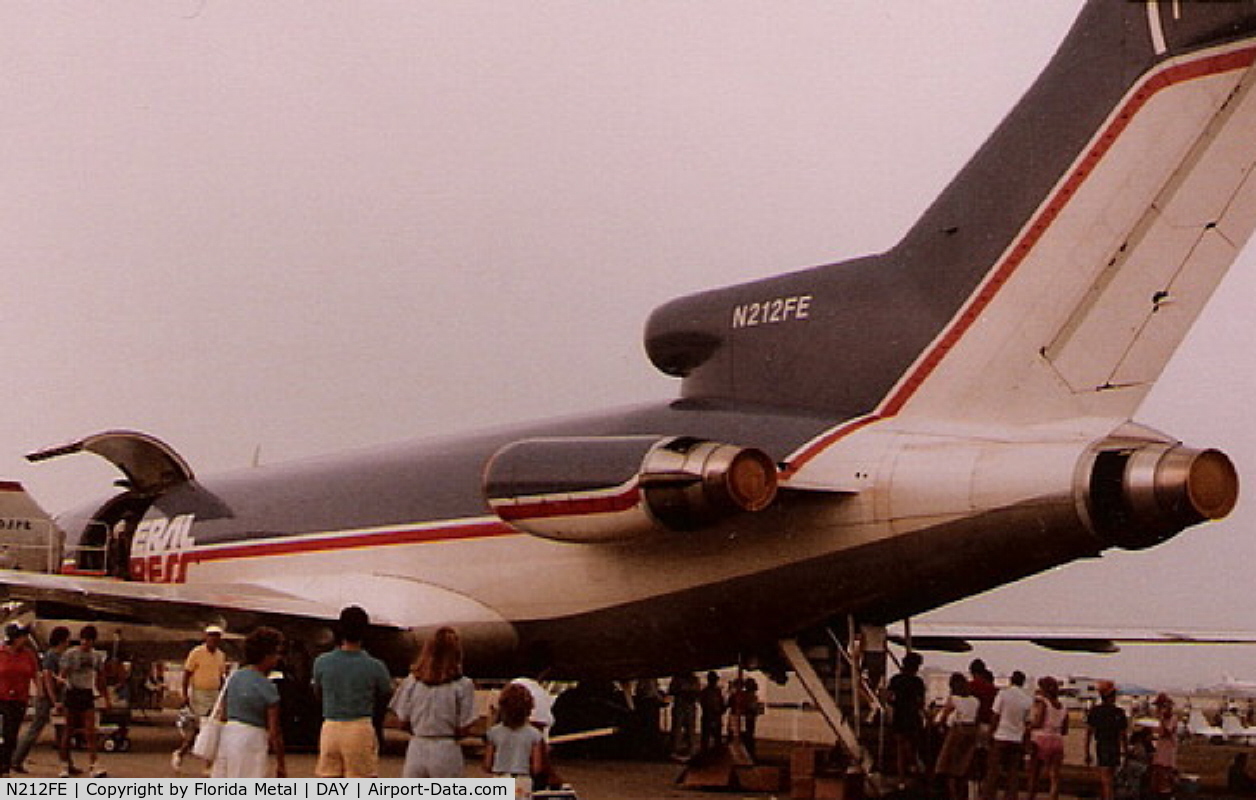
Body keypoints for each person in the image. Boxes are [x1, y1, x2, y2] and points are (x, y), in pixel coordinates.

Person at [312, 606, 393, 778]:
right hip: (359, 726)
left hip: (330, 726)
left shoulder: (322, 662)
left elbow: (317, 692)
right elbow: (385, 694)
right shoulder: (375, 666)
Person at [387, 626, 476, 778]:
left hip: (417, 746)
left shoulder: (412, 681)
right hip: (446, 747)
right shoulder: (463, 685)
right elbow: (464, 727)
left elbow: (401, 721)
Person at [212, 627, 286, 778]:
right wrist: (281, 763)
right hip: (253, 740)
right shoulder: (267, 687)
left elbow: (224, 713)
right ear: (266, 656)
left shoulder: (235, 677)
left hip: (228, 736)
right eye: (276, 654)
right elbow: (274, 732)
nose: (278, 658)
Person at [13, 625, 70, 774]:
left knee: (62, 731)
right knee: (36, 728)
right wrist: (53, 699)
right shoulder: (52, 656)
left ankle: (66, 763)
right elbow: (47, 679)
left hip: (57, 696)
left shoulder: (61, 655)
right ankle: (16, 759)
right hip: (47, 697)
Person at [173, 624, 228, 772]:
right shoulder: (196, 653)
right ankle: (182, 754)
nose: (214, 639)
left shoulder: (220, 655)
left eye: (217, 636)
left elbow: (221, 676)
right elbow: (187, 674)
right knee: (204, 727)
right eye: (211, 636)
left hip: (214, 694)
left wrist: (223, 696)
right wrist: (185, 694)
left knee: (213, 728)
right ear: (206, 637)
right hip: (199, 693)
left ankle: (207, 764)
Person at [58, 625, 110, 778]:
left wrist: (105, 697)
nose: (86, 644)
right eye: (84, 640)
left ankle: (94, 764)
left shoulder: (96, 656)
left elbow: (101, 678)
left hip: (87, 693)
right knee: (68, 730)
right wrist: (60, 696)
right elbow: (63, 675)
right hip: (72, 692)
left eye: (89, 641)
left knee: (90, 731)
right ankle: (64, 764)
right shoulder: (71, 654)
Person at [484, 683, 545, 800]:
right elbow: (537, 768)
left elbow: (487, 765)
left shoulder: (493, 733)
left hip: (500, 779)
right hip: (522, 781)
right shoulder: (534, 734)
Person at [983, 670, 1033, 800]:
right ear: (1023, 682)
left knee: (993, 772)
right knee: (1013, 773)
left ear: (1011, 680)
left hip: (1001, 736)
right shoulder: (1027, 699)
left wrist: (990, 733)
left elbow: (996, 715)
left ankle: (989, 796)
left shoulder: (1003, 694)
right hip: (1017, 739)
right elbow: (1027, 724)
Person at [0, 625, 40, 778]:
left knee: (11, 734)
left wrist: (39, 694)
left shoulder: (28, 655)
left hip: (19, 699)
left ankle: (5, 766)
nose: (26, 640)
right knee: (3, 732)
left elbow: (35, 674)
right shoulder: (1, 653)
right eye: (23, 636)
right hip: (2, 697)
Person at [935, 672, 980, 800]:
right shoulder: (975, 701)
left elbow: (943, 717)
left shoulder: (953, 699)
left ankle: (952, 796)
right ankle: (962, 795)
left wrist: (939, 725)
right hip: (971, 733)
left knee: (949, 768)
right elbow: (976, 719)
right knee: (963, 767)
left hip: (956, 732)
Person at [1085, 681, 1129, 800]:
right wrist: (1126, 752)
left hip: (1102, 745)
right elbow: (1123, 734)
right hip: (1114, 746)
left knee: (1105, 778)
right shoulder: (1119, 712)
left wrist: (1087, 751)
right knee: (1110, 778)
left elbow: (1089, 733)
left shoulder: (1095, 711)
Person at [887, 651, 927, 785]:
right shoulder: (918, 682)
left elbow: (889, 698)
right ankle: (915, 769)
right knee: (913, 746)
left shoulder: (895, 680)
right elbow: (921, 702)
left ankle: (901, 779)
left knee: (900, 747)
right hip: (913, 716)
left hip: (899, 714)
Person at [1026, 676, 1068, 800]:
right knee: (1054, 777)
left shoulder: (1043, 703)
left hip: (1040, 740)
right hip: (1057, 740)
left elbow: (1039, 722)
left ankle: (1030, 797)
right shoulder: (1063, 707)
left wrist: (1028, 727)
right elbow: (1064, 730)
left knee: (1034, 775)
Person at [1148, 693, 1178, 799]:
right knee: (1157, 775)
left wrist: (1161, 718)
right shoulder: (1160, 720)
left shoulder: (1172, 719)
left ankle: (1168, 795)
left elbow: (1167, 733)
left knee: (1165, 776)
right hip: (1160, 749)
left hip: (1167, 751)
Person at [667, 672, 700, 759]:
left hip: (686, 706)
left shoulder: (693, 679)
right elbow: (672, 691)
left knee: (688, 729)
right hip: (681, 706)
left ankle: (689, 750)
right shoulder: (679, 678)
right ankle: (676, 749)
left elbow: (696, 693)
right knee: (678, 729)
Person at [698, 671, 726, 752]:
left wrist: (722, 710)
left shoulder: (717, 691)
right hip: (709, 716)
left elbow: (721, 703)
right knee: (706, 738)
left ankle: (715, 753)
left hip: (715, 716)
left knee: (716, 738)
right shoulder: (706, 691)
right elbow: (704, 704)